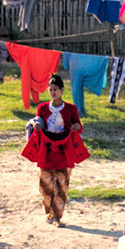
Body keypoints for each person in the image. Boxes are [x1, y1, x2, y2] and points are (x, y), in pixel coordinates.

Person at [21, 73, 88, 226]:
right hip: (46, 150)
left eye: (55, 89)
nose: (53, 93)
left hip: (64, 150)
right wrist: (36, 126)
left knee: (62, 185)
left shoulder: (71, 109)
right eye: (50, 90)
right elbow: (38, 125)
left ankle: (57, 216)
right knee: (45, 185)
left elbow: (78, 127)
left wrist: (76, 127)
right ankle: (49, 213)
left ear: (62, 90)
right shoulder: (42, 108)